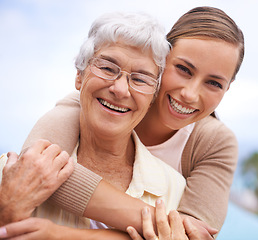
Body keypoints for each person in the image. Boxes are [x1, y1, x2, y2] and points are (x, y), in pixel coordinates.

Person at [22, 6, 245, 238]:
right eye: (183, 69)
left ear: (227, 88)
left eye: (214, 83)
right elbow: (35, 170)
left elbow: (190, 235)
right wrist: (158, 218)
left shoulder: (213, 142)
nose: (189, 93)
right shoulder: (94, 103)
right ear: (159, 62)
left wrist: (60, 235)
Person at [0, 11, 189, 239]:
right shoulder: (9, 173)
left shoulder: (174, 189)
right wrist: (6, 211)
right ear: (79, 75)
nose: (120, 89)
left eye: (140, 79)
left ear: (152, 99)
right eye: (108, 68)